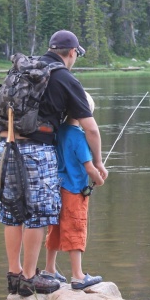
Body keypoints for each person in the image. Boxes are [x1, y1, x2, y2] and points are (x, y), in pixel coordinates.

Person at [0, 30, 108, 297]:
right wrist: (98, 162)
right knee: (39, 214)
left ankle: (14, 274)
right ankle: (30, 278)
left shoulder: (28, 68)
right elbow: (91, 130)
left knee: (12, 212)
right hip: (37, 148)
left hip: (5, 144)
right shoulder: (66, 79)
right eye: (76, 55)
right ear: (72, 53)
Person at [43, 92, 105, 289]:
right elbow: (88, 167)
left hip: (57, 188)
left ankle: (49, 269)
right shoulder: (78, 137)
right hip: (74, 190)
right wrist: (99, 179)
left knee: (55, 228)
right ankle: (78, 276)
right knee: (76, 228)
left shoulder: (58, 131)